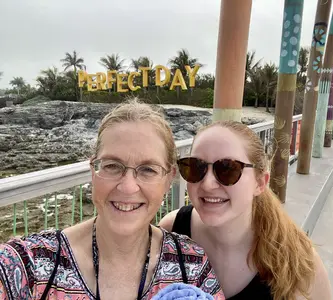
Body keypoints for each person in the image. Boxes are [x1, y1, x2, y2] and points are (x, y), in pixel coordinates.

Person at [0, 99, 224, 300]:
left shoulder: (191, 265)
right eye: (112, 166)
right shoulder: (30, 265)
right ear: (93, 170)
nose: (127, 187)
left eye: (147, 169)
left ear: (168, 179)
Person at [159, 121, 332, 300]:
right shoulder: (172, 229)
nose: (208, 184)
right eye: (196, 167)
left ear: (260, 183)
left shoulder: (297, 262)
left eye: (228, 169)